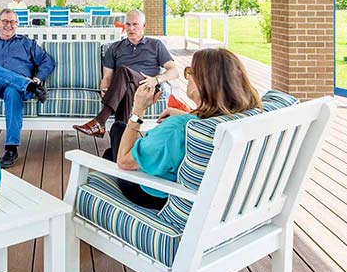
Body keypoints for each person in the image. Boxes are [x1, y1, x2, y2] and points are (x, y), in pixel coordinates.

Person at [105, 48, 261, 209]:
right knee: (110, 151)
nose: (188, 78)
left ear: (204, 83)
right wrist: (187, 114)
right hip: (219, 203)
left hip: (155, 194)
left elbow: (124, 162)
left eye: (190, 72)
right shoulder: (243, 117)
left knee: (118, 129)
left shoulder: (177, 128)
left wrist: (138, 111)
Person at [0, 8, 55, 168]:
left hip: (16, 90)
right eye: (5, 21)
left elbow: (47, 61)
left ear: (17, 24)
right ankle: (30, 87)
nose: (9, 25)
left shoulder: (27, 43)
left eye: (12, 22)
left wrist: (37, 78)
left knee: (12, 90)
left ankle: (11, 148)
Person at [73, 9, 179, 138]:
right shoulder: (115, 47)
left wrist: (155, 80)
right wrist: (104, 89)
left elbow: (174, 71)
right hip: (123, 88)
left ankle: (100, 121)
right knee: (126, 84)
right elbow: (107, 77)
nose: (131, 28)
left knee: (123, 70)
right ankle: (117, 150)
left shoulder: (155, 45)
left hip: (146, 87)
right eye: (128, 24)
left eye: (135, 24)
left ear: (144, 26)